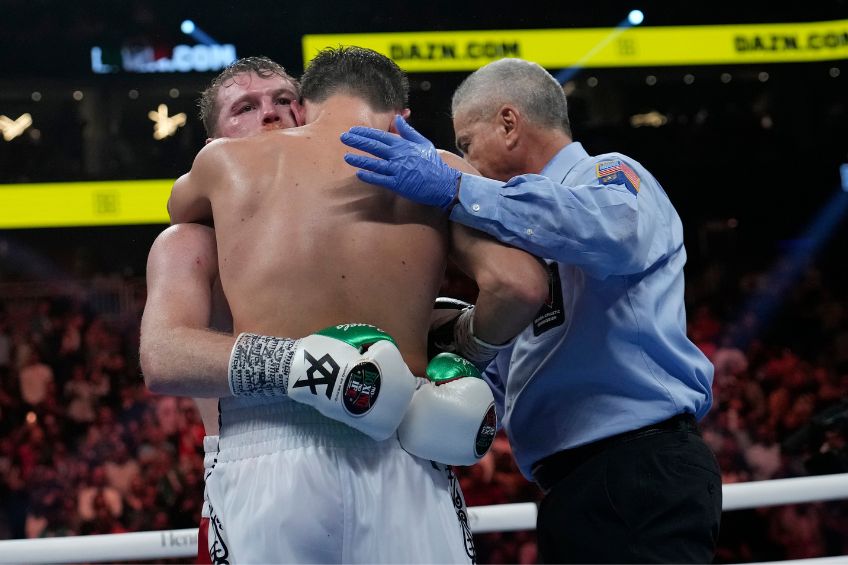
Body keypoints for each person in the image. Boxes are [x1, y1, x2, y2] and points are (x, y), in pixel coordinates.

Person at [150, 46, 548, 563]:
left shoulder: (417, 174)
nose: (270, 114)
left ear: (307, 109)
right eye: (245, 107)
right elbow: (162, 356)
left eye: (284, 100)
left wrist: (449, 348)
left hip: (389, 443)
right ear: (213, 141)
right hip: (276, 439)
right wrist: (303, 365)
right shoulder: (192, 237)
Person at [341, 57, 722, 564]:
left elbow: (614, 234)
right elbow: (511, 374)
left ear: (508, 123)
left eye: (465, 145)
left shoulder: (607, 174)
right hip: (571, 484)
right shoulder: (519, 237)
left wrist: (458, 188)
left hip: (638, 464)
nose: (465, 162)